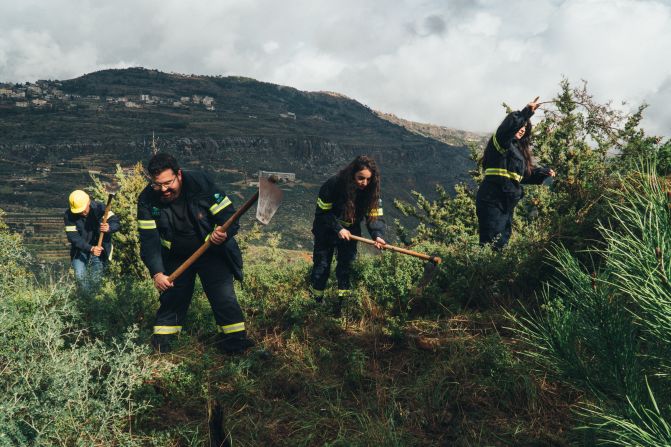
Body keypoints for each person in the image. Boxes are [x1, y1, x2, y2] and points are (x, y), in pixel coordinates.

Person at [137, 153, 253, 354]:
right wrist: (157, 272)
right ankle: (162, 351)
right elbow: (149, 240)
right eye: (158, 185)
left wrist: (222, 234)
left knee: (224, 299)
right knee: (171, 300)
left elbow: (229, 216)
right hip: (175, 258)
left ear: (179, 175)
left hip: (212, 251)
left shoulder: (202, 184)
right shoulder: (147, 200)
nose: (163, 189)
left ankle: (235, 347)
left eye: (168, 183)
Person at [476, 98, 556, 249]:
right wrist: (526, 112)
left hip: (507, 202)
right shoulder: (501, 141)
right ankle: (484, 271)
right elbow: (507, 128)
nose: (522, 128)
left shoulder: (518, 151)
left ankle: (492, 270)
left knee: (502, 242)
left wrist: (542, 173)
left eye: (525, 127)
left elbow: (523, 176)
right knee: (492, 243)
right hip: (492, 199)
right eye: (521, 125)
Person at [310, 155, 386, 304]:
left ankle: (342, 304)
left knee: (346, 266)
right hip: (326, 230)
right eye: (361, 178)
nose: (365, 183)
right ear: (352, 174)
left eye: (369, 179)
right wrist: (338, 228)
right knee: (322, 266)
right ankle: (316, 302)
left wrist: (377, 235)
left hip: (351, 231)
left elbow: (374, 217)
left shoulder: (371, 191)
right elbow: (322, 212)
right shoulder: (333, 184)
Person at [64, 190, 120, 293]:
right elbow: (73, 237)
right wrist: (90, 248)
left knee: (95, 283)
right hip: (80, 251)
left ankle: (94, 304)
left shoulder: (100, 208)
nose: (82, 212)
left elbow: (115, 222)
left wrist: (109, 227)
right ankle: (85, 303)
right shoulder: (69, 215)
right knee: (81, 281)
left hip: (99, 252)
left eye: (83, 209)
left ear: (88, 202)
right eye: (79, 211)